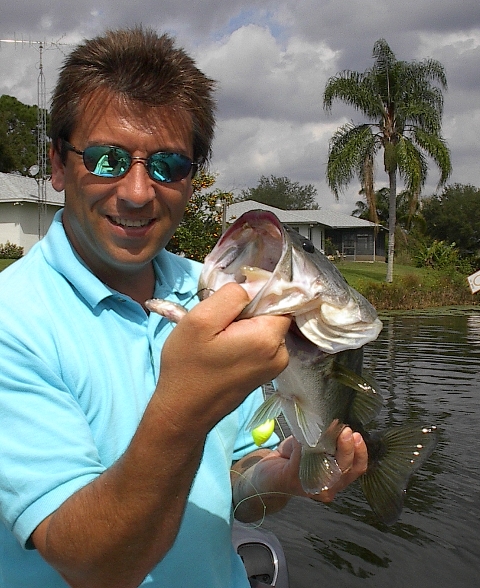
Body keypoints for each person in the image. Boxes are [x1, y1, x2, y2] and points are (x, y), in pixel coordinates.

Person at [0, 27, 368, 588]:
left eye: (169, 165)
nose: (138, 192)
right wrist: (184, 406)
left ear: (194, 180)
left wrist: (284, 475)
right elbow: (95, 565)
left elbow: (237, 483)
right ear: (57, 165)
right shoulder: (13, 321)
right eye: (106, 159)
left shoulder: (221, 297)